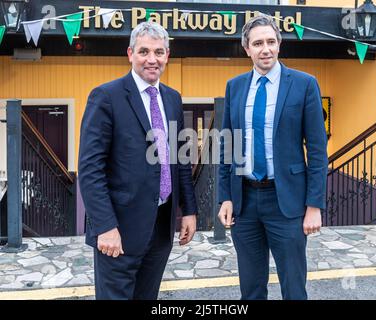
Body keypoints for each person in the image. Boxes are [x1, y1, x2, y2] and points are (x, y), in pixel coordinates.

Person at [78, 22, 197, 300]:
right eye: (144, 51)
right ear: (130, 53)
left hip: (160, 227)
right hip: (118, 231)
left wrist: (188, 210)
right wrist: (106, 227)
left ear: (167, 55)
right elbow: (90, 169)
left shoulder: (172, 98)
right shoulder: (106, 96)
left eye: (158, 52)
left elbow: (179, 160)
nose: (152, 59)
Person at [218, 14, 328, 300]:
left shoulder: (304, 84)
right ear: (247, 49)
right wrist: (225, 197)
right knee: (251, 290)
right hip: (245, 203)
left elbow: (317, 149)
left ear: (279, 45)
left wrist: (314, 205)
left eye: (270, 41)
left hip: (287, 203)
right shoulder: (235, 86)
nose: (265, 48)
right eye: (257, 43)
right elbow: (228, 144)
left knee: (293, 288)